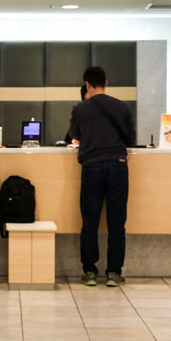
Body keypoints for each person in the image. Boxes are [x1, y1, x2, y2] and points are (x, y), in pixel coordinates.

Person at [69, 66, 135, 287]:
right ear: (106, 82)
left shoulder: (80, 109)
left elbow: (74, 134)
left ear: (86, 84)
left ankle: (89, 271)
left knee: (90, 221)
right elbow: (130, 137)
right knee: (117, 222)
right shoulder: (121, 107)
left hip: (91, 167)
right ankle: (114, 273)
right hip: (118, 166)